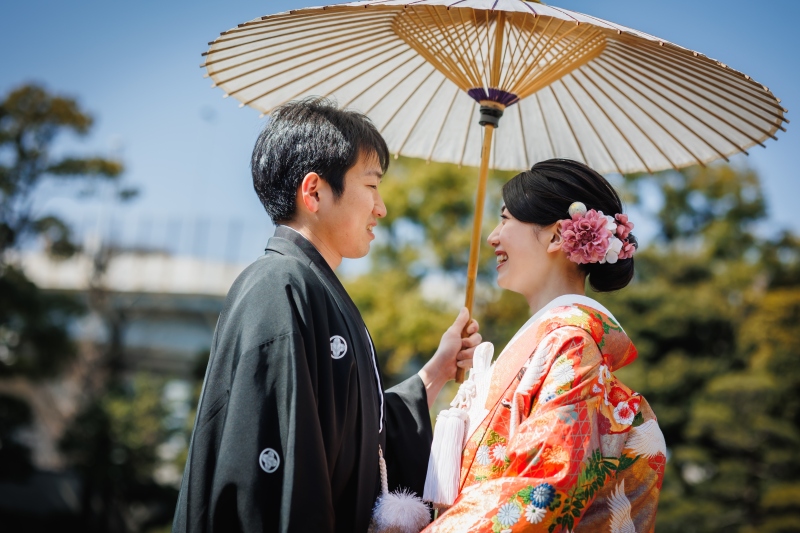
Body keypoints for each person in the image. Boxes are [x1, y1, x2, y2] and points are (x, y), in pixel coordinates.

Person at [172, 98, 481, 533]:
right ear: (314, 191)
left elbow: (355, 434)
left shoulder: (307, 287)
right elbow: (273, 463)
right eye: (372, 186)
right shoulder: (277, 286)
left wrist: (436, 372)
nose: (382, 207)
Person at [424, 159, 664, 532]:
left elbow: (544, 487)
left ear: (555, 237)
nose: (492, 236)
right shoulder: (556, 340)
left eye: (505, 219)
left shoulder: (571, 342)